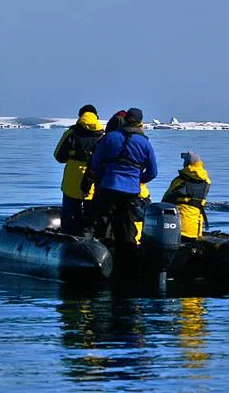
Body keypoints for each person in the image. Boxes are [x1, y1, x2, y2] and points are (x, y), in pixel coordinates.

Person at [82, 107, 158, 275]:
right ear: (140, 122)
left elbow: (95, 164)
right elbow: (153, 172)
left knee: (100, 222)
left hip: (108, 187)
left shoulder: (110, 138)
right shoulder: (145, 143)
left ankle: (99, 258)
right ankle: (129, 264)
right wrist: (138, 180)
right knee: (127, 227)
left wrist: (103, 176)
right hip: (130, 192)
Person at [53, 105, 104, 234]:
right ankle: (90, 238)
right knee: (91, 213)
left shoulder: (71, 133)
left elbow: (58, 155)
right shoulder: (103, 136)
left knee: (70, 212)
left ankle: (68, 236)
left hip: (72, 179)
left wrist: (72, 158)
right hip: (93, 179)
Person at [161, 151, 211, 240]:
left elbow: (165, 201)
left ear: (187, 164)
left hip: (179, 228)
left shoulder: (180, 181)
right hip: (196, 229)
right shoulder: (207, 182)